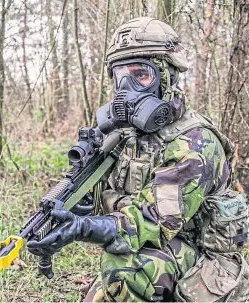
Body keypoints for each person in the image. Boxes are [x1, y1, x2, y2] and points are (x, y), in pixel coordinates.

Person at [27, 17, 248, 302]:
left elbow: (153, 221)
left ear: (167, 77)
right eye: (121, 76)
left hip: (206, 262)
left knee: (125, 269)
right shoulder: (128, 136)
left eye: (141, 75)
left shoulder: (195, 142)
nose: (127, 88)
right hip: (158, 248)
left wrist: (82, 229)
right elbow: (115, 199)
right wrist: (80, 209)